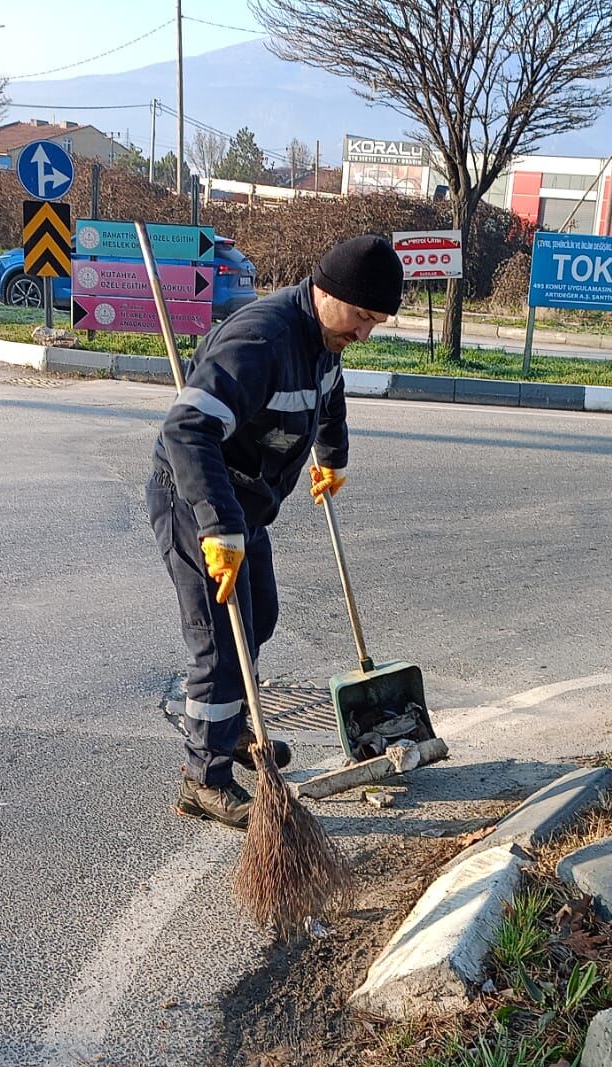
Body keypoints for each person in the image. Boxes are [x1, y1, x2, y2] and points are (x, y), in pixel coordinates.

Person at [150, 234, 404, 826]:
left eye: (377, 323)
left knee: (258, 615)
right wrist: (216, 526)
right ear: (328, 291)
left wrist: (332, 457)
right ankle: (203, 777)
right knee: (218, 638)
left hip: (247, 504)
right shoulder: (258, 341)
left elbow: (329, 398)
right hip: (198, 497)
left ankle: (235, 727)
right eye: (362, 317)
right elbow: (187, 430)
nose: (364, 334)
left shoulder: (324, 340)